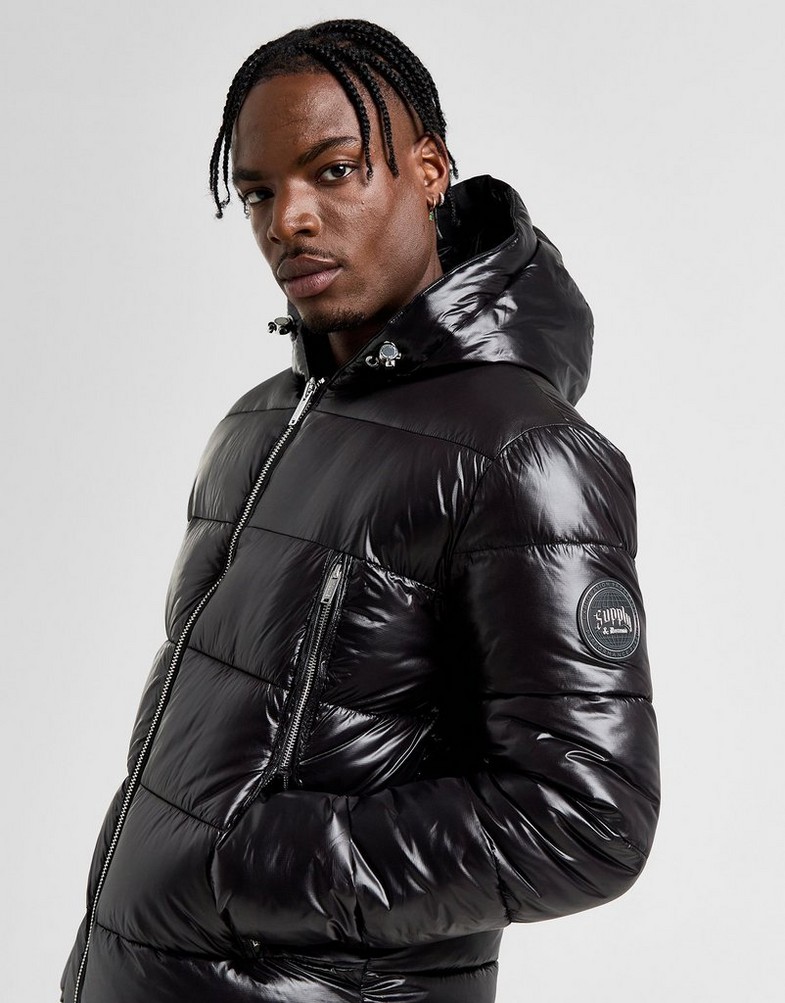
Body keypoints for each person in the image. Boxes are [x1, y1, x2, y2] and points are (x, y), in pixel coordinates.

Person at [61, 18, 660, 1003]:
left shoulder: (524, 452)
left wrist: (244, 868)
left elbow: (585, 820)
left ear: (428, 171)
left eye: (333, 171)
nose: (287, 220)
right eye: (258, 191)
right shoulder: (257, 423)